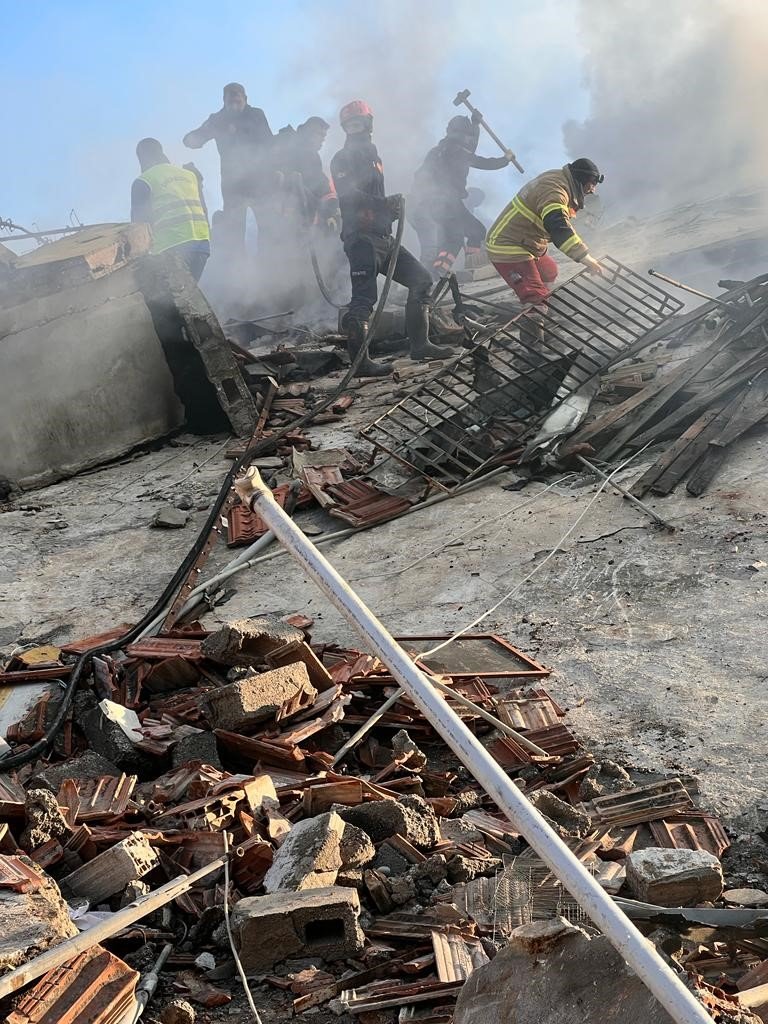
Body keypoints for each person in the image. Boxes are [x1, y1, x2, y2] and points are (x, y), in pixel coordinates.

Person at [330, 100, 451, 377]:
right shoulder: (342, 158)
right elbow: (348, 196)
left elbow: (372, 199)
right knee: (364, 300)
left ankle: (420, 345)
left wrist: (388, 212)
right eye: (350, 125)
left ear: (369, 124)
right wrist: (384, 204)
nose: (355, 130)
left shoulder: (374, 156)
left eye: (359, 123)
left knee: (421, 280)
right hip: (361, 239)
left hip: (382, 237)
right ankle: (361, 364)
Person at [485, 158, 605, 306]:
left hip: (527, 241)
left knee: (549, 272)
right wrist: (586, 258)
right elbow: (558, 226)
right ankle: (535, 308)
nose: (592, 190)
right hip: (507, 245)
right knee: (536, 298)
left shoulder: (562, 180)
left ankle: (539, 303)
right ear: (580, 180)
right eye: (591, 185)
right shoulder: (555, 190)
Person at [410, 112, 513, 278]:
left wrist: (476, 126)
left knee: (467, 234)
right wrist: (505, 159)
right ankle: (443, 271)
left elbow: (469, 150)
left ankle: (449, 269)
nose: (468, 139)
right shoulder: (458, 153)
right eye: (467, 135)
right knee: (463, 236)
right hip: (447, 203)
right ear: (462, 135)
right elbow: (482, 162)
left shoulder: (439, 150)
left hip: (430, 203)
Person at [182, 83, 273, 253]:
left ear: (245, 99)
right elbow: (193, 139)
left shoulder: (256, 115)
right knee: (234, 229)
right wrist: (194, 137)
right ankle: (237, 269)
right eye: (230, 101)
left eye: (238, 100)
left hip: (260, 181)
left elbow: (269, 143)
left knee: (267, 225)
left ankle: (268, 263)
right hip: (233, 184)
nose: (234, 104)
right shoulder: (218, 119)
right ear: (224, 101)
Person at [130, 138, 210, 281]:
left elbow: (138, 225)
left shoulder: (144, 181)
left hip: (171, 247)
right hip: (202, 246)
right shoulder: (189, 175)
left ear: (142, 158)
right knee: (187, 294)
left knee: (162, 299)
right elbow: (204, 209)